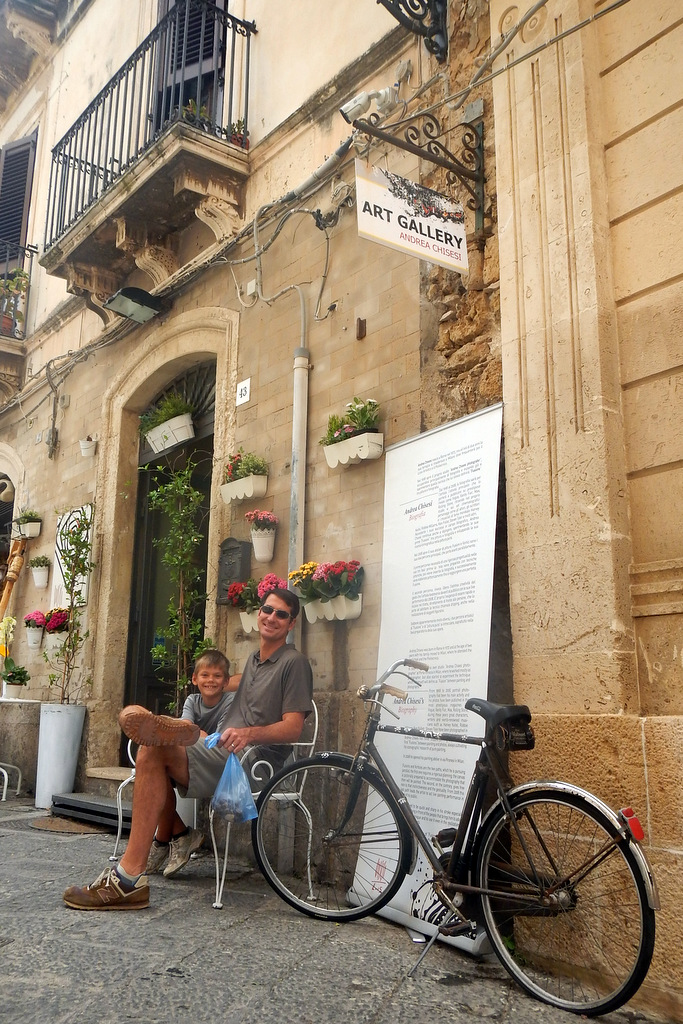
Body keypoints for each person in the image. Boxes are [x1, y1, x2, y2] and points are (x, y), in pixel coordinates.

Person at [62, 588, 313, 910]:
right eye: (267, 609)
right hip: (221, 747)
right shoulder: (255, 660)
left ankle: (130, 876)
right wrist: (208, 681)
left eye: (281, 614)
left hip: (251, 762)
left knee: (153, 750)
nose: (272, 617)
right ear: (259, 613)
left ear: (291, 623)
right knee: (154, 749)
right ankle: (170, 835)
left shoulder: (294, 663)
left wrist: (248, 733)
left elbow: (293, 728)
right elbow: (228, 682)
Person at [145, 648, 236, 879]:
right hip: (192, 754)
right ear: (195, 679)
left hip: (219, 763)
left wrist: (193, 732)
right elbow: (185, 728)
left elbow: (219, 739)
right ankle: (179, 835)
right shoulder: (192, 700)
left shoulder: (230, 701)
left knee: (157, 764)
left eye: (217, 676)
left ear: (226, 681)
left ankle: (165, 840)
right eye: (205, 675)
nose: (210, 680)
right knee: (156, 769)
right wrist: (190, 731)